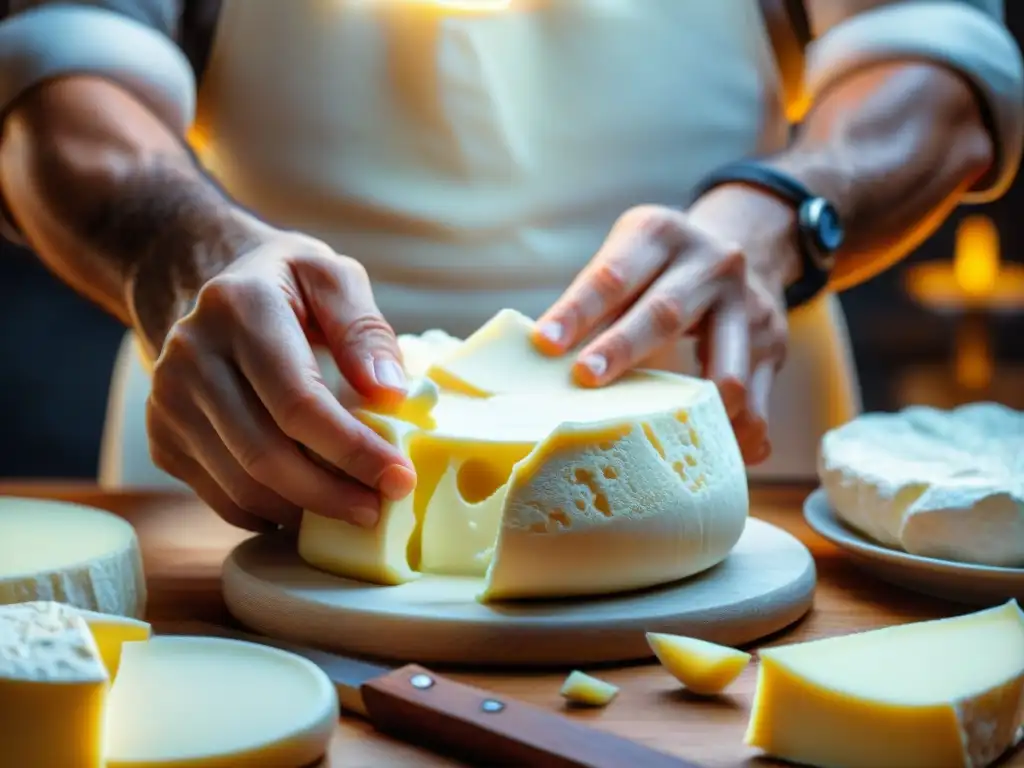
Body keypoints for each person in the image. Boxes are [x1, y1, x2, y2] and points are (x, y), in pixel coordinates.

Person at [0, 0, 1020, 533]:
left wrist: (781, 215)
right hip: (246, 483)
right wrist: (186, 254)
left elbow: (934, 61)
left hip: (730, 480)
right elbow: (55, 85)